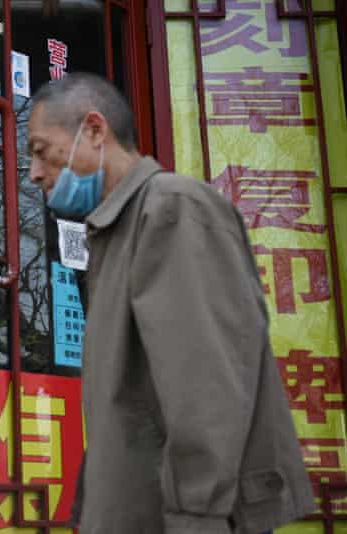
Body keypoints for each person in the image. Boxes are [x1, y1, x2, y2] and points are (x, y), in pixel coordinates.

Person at [26, 72, 314, 534]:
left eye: (42, 151)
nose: (35, 173)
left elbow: (206, 386)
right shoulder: (116, 228)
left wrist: (196, 517)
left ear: (95, 131)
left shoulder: (172, 209)